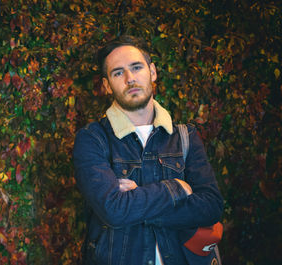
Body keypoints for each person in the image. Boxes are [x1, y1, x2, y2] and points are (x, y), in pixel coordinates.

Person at [73, 35, 223, 265]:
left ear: (152, 72)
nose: (130, 78)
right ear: (106, 85)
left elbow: (211, 205)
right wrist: (176, 188)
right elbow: (113, 210)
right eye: (118, 72)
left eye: (136, 67)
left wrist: (136, 202)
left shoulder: (185, 136)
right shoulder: (93, 139)